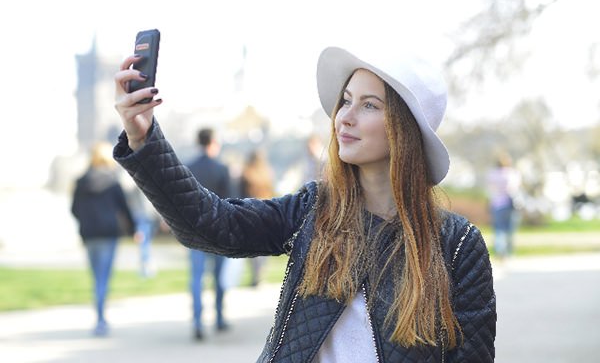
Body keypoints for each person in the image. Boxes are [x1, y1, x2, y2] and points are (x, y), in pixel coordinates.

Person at [113, 45, 496, 361]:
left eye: (368, 106)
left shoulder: (458, 245)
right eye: (346, 101)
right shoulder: (314, 210)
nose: (344, 117)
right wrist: (144, 140)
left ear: (403, 129)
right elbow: (212, 223)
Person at [71, 141, 135, 336]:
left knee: (96, 276)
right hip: (108, 234)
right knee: (104, 277)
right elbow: (124, 209)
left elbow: (73, 209)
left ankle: (99, 317)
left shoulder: (81, 182)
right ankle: (101, 319)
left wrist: (85, 222)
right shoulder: (113, 182)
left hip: (89, 235)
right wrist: (133, 230)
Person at [186, 127, 233, 339]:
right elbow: (230, 202)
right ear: (213, 142)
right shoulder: (222, 168)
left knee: (197, 278)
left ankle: (197, 321)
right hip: (218, 230)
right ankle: (219, 317)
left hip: (195, 231)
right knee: (218, 277)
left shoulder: (189, 167)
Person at [239, 148, 276, 286]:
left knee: (252, 245)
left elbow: (240, 194)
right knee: (264, 244)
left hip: (250, 210)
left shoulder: (246, 173)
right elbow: (273, 192)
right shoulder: (268, 173)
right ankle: (261, 273)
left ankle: (256, 275)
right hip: (267, 209)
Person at [486, 153, 521, 260]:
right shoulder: (512, 174)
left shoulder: (492, 175)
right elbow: (515, 188)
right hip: (511, 204)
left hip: (497, 204)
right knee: (510, 229)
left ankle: (500, 251)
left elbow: (489, 189)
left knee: (498, 229)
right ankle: (509, 252)